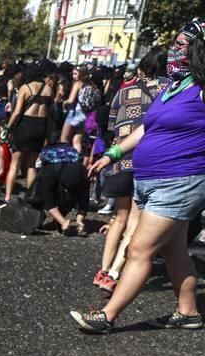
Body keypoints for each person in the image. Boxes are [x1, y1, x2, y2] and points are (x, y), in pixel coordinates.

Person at [71, 18, 205, 334]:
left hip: (179, 182)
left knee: (138, 250)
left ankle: (107, 315)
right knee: (174, 251)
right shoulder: (176, 87)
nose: (174, 51)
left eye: (182, 45)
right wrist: (111, 155)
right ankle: (188, 312)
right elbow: (147, 128)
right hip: (150, 181)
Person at [93, 47, 168, 294]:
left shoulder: (124, 90)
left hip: (120, 158)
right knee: (136, 221)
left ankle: (103, 270)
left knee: (119, 217)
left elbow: (113, 124)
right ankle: (114, 272)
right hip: (148, 160)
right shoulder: (169, 91)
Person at [2, 62, 55, 206]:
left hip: (25, 125)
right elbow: (50, 116)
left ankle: (7, 198)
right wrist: (49, 135)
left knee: (15, 163)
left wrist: (8, 127)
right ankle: (31, 197)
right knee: (32, 165)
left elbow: (18, 111)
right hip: (40, 127)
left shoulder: (26, 88)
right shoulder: (49, 90)